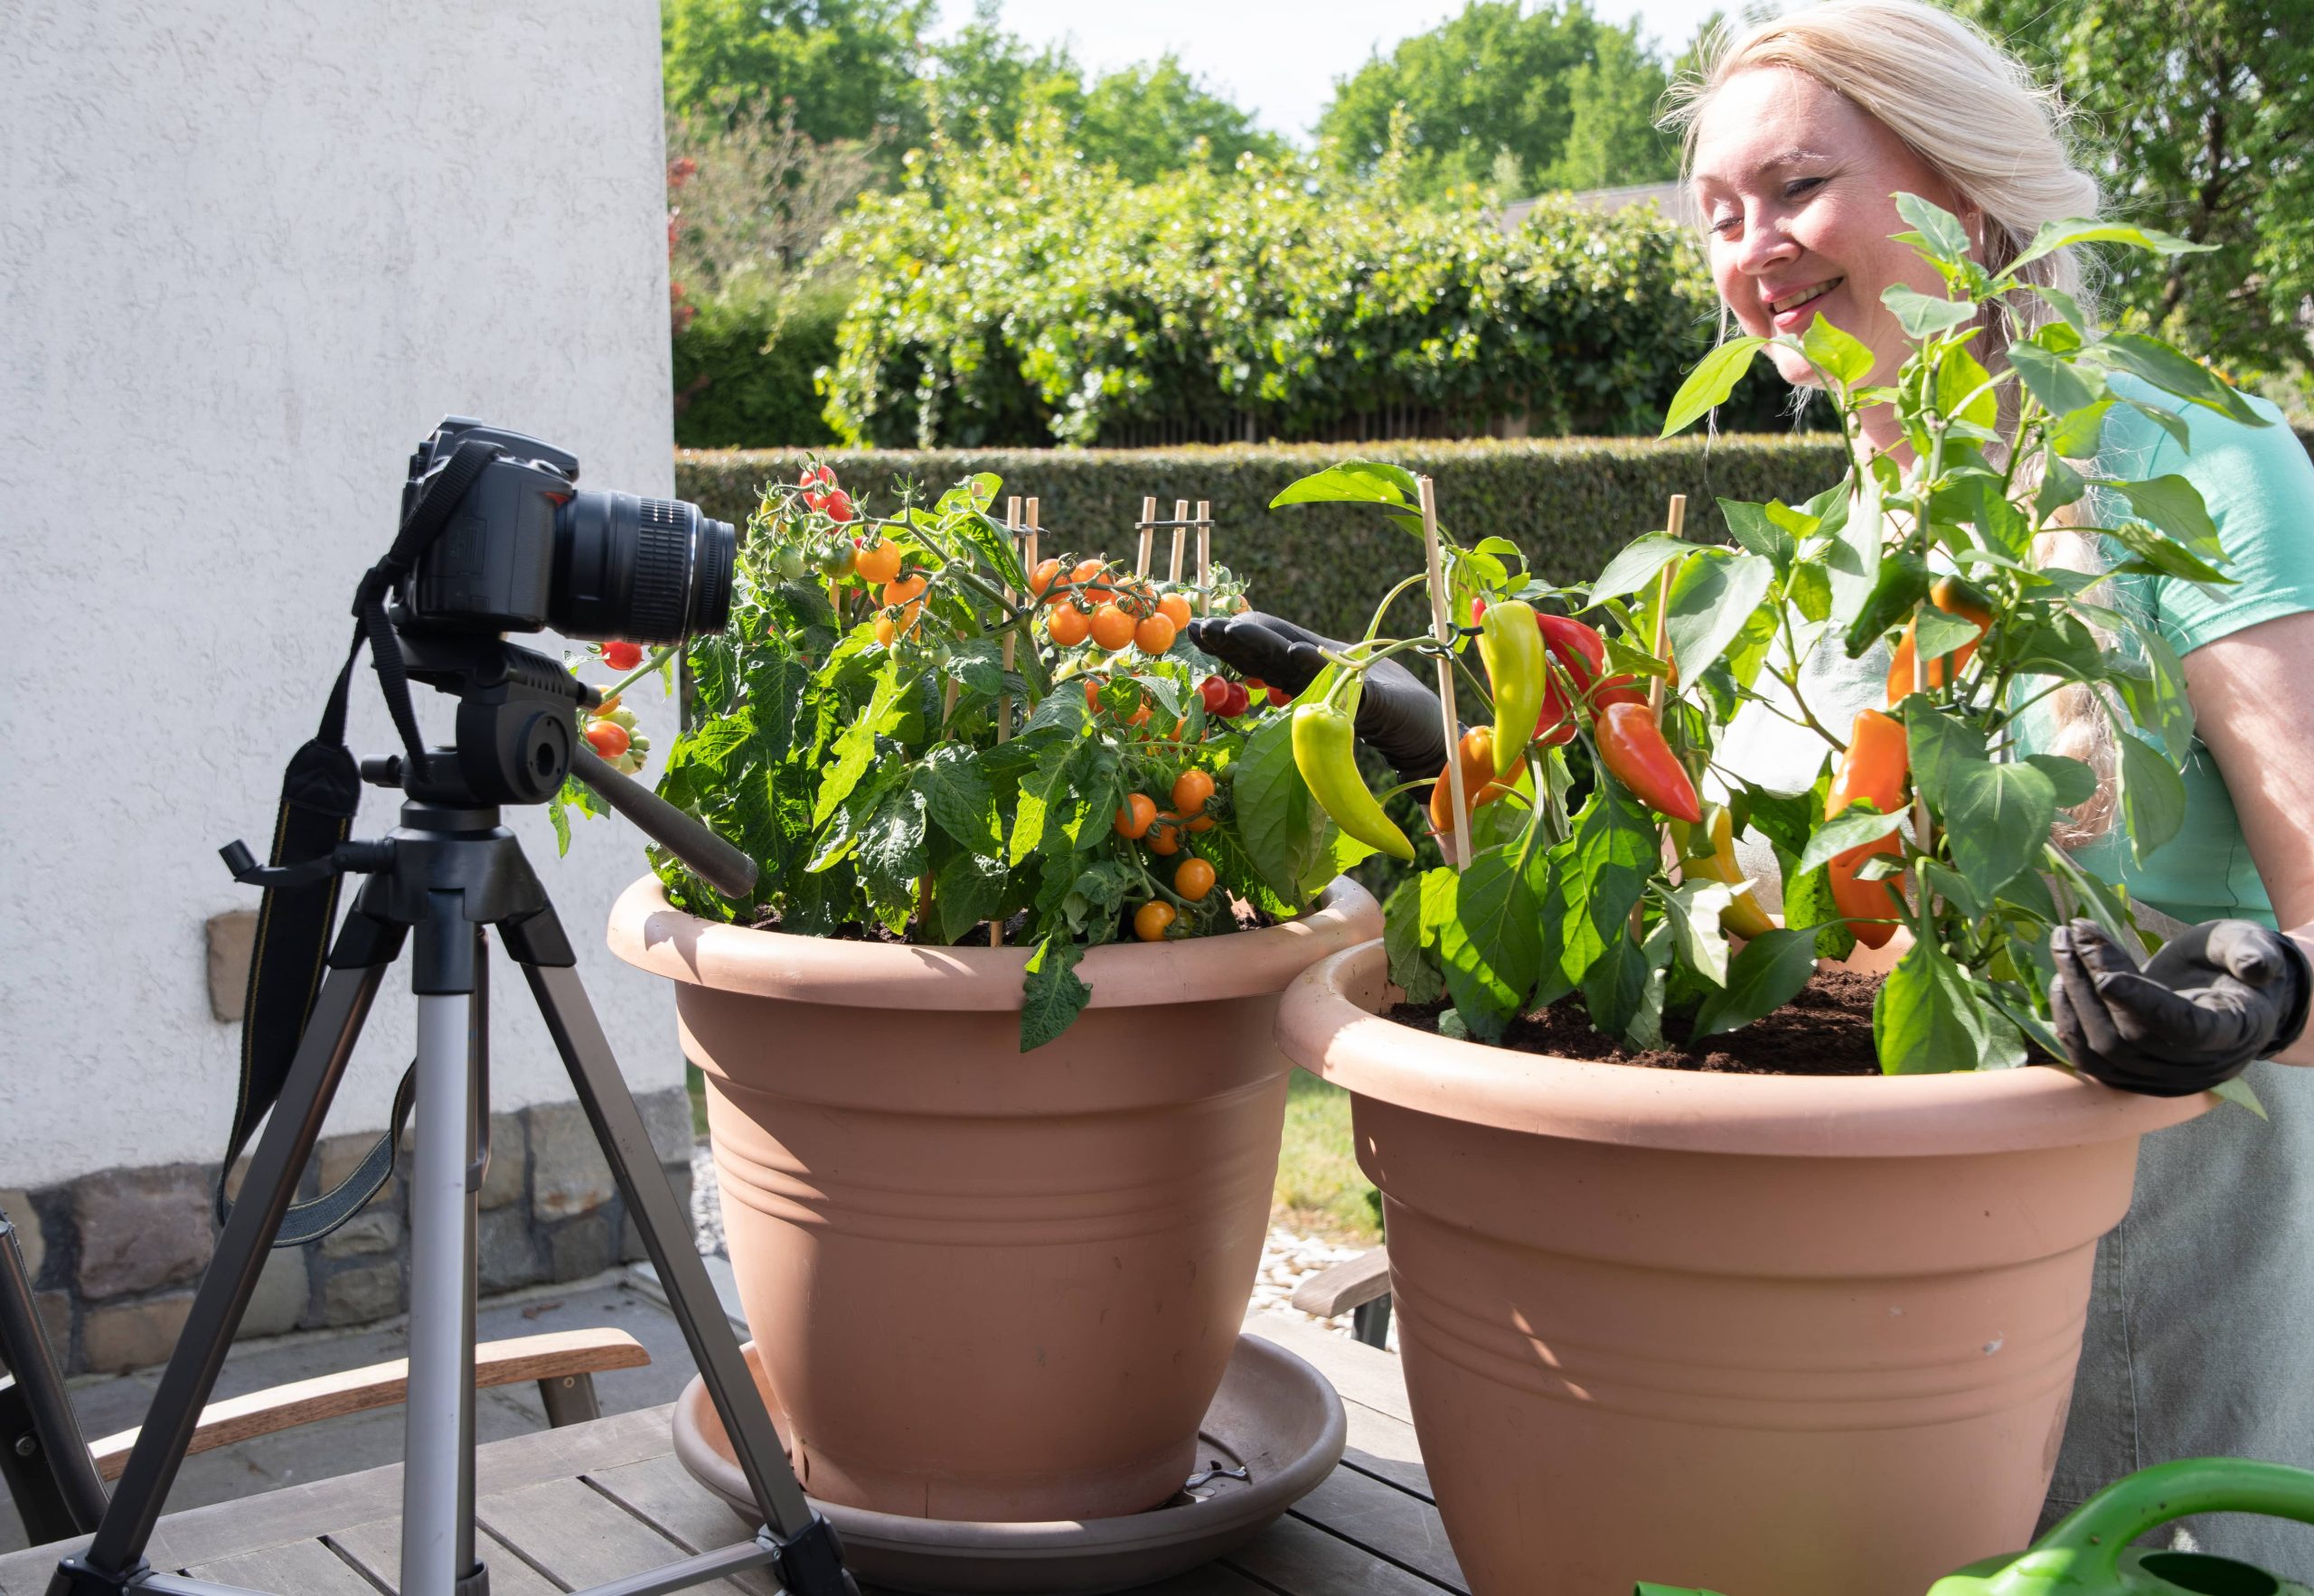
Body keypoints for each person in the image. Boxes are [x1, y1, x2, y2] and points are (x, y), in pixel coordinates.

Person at [1199, 0, 2314, 1566]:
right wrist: (1448, 731)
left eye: (1795, 188)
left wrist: (2247, 1001)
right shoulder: (1855, 523)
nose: (1752, 248)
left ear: (1967, 186)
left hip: (2151, 1269)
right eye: (1718, 216)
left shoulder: (2191, 453)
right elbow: (1766, 899)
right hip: (1878, 1294)